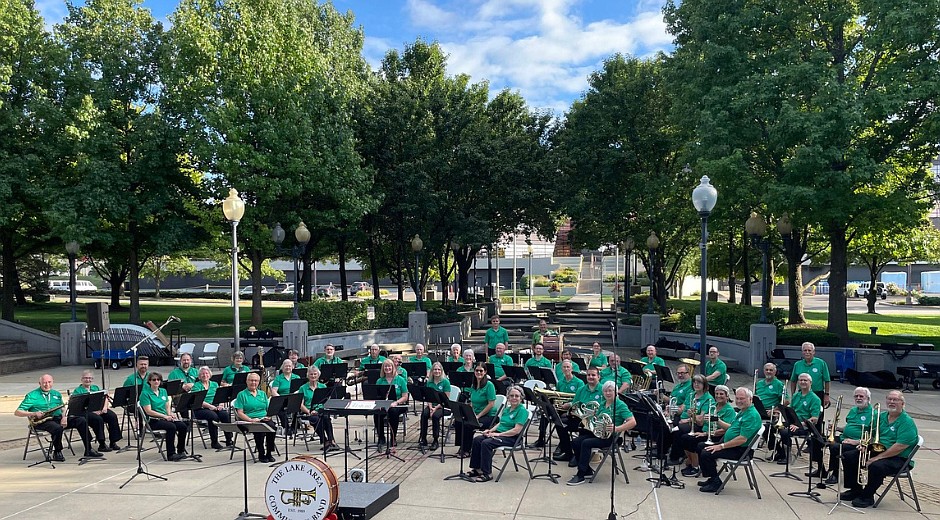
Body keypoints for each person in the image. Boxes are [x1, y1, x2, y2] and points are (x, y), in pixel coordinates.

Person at [840, 390, 919, 508]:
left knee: (876, 466)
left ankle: (867, 496)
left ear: (902, 403)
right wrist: (864, 444)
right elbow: (870, 435)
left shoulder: (906, 422)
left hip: (899, 457)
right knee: (849, 456)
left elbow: (900, 447)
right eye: (889, 399)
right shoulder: (881, 417)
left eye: (895, 400)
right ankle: (855, 489)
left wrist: (876, 458)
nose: (891, 402)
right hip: (879, 450)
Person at [16, 374, 100, 461]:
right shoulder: (32, 395)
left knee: (81, 420)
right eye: (44, 383)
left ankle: (88, 449)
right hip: (42, 421)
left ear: (53, 382)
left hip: (57, 418)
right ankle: (57, 451)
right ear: (39, 383)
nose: (47, 385)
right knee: (57, 428)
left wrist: (65, 417)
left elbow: (63, 408)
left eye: (49, 382)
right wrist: (33, 413)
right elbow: (18, 412)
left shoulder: (56, 394)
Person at [567, 381, 636, 485]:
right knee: (576, 442)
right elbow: (597, 420)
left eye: (610, 391)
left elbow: (633, 422)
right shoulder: (603, 403)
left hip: (611, 437)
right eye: (605, 391)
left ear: (616, 392)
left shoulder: (620, 405)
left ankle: (580, 475)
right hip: (599, 434)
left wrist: (617, 428)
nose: (607, 393)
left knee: (586, 443)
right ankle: (587, 470)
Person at [696, 387, 763, 492]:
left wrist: (721, 446)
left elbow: (742, 439)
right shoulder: (743, 411)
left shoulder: (752, 415)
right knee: (701, 446)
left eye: (742, 399)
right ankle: (712, 477)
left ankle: (716, 482)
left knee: (706, 453)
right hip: (731, 445)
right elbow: (731, 428)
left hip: (741, 451)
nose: (739, 401)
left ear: (750, 399)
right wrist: (717, 421)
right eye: (737, 398)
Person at [466, 385, 529, 482]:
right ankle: (477, 469)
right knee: (477, 439)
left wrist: (497, 434)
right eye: (511, 396)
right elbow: (501, 423)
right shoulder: (507, 409)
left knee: (486, 443)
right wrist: (490, 430)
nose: (514, 398)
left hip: (512, 438)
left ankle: (487, 473)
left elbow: (516, 430)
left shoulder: (522, 411)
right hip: (501, 433)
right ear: (508, 397)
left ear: (521, 398)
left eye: (517, 396)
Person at [678, 385, 736, 477]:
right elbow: (701, 423)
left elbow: (727, 429)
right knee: (685, 437)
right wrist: (693, 415)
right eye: (717, 394)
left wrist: (705, 433)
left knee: (691, 440)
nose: (718, 396)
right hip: (706, 431)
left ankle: (695, 467)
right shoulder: (713, 406)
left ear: (727, 396)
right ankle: (691, 462)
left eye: (721, 394)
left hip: (716, 435)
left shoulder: (729, 410)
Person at [824, 387, 874, 485]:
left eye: (861, 396)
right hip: (845, 438)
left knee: (835, 447)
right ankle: (822, 470)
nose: (858, 398)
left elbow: (872, 436)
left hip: (858, 443)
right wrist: (836, 428)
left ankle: (835, 473)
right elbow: (849, 427)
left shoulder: (873, 414)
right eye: (856, 396)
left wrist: (857, 441)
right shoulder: (853, 410)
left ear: (868, 398)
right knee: (822, 441)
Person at [775, 373, 823, 473]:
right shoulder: (796, 395)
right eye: (801, 380)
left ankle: (787, 456)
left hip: (805, 426)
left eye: (805, 380)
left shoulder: (815, 399)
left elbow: (814, 419)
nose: (803, 382)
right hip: (793, 422)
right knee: (772, 427)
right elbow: (790, 410)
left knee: (784, 432)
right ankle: (780, 452)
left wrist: (800, 424)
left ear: (810, 383)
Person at [530, 360, 584, 449]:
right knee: (545, 414)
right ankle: (541, 439)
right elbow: (557, 396)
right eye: (564, 367)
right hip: (561, 406)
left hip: (572, 409)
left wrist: (569, 404)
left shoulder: (579, 382)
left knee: (559, 419)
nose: (566, 369)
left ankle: (563, 443)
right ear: (562, 369)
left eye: (568, 367)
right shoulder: (560, 382)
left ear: (572, 369)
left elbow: (580, 398)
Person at [553, 366, 603, 462]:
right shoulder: (581, 389)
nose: (591, 377)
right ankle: (568, 453)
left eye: (593, 375)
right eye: (589, 375)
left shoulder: (603, 390)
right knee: (559, 423)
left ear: (598, 377)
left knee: (582, 429)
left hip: (595, 422)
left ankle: (579, 455)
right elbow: (575, 405)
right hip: (580, 419)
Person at [140, 371, 188, 461]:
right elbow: (149, 411)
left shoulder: (163, 391)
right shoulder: (145, 394)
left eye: (158, 380)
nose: (156, 381)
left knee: (182, 426)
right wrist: (164, 416)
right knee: (171, 427)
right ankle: (171, 454)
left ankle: (181, 450)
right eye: (154, 380)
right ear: (149, 381)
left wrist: (170, 414)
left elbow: (167, 406)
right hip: (153, 420)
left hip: (165, 418)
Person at [668, 374, 714, 467]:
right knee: (667, 423)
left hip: (696, 424)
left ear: (704, 385)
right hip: (684, 419)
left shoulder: (708, 399)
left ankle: (676, 457)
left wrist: (689, 418)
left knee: (679, 430)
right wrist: (672, 409)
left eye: (699, 383)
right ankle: (664, 450)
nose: (696, 384)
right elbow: (682, 409)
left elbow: (701, 420)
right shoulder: (691, 395)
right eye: (694, 382)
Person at [73, 370, 121, 452]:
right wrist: (94, 412)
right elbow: (78, 406)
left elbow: (105, 397)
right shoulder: (78, 391)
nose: (88, 380)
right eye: (86, 378)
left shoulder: (95, 388)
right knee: (98, 419)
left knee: (112, 416)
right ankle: (102, 443)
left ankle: (113, 441)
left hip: (99, 410)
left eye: (90, 378)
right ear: (81, 379)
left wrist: (105, 407)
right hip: (86, 412)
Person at [234, 373, 277, 463]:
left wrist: (268, 417)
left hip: (263, 418)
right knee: (259, 431)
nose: (253, 382)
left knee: (272, 427)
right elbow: (240, 413)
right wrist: (251, 420)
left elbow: (269, 409)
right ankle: (261, 453)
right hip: (250, 420)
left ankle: (269, 453)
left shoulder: (262, 394)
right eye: (251, 380)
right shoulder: (241, 395)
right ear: (247, 381)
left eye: (256, 381)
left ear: (259, 382)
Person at [457, 363, 497, 458]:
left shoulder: (489, 385)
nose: (479, 372)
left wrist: (478, 416)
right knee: (459, 420)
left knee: (469, 424)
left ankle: (467, 450)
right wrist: (470, 412)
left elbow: (491, 404)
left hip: (488, 416)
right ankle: (462, 445)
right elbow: (472, 402)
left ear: (485, 372)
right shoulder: (473, 385)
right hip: (476, 413)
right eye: (477, 370)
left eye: (481, 371)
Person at [191, 366, 232, 450]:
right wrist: (210, 406)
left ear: (210, 374)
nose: (204, 375)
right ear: (199, 376)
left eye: (206, 373)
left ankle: (229, 439)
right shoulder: (196, 386)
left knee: (225, 415)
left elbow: (221, 396)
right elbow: (198, 401)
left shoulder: (214, 384)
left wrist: (221, 405)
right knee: (213, 417)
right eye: (202, 374)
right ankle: (214, 442)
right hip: (201, 408)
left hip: (215, 405)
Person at [298, 366, 337, 451]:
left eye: (315, 374)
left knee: (326, 418)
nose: (313, 376)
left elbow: (326, 401)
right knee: (316, 419)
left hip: (321, 410)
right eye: (311, 374)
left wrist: (322, 409)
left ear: (318, 375)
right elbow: (300, 404)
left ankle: (331, 440)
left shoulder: (322, 386)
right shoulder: (303, 388)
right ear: (308, 375)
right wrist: (309, 412)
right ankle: (325, 441)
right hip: (308, 412)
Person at [374, 359, 409, 451]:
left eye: (389, 366)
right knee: (377, 413)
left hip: (398, 405)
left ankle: (393, 438)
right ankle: (381, 437)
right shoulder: (379, 381)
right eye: (385, 366)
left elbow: (405, 396)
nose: (387, 368)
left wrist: (396, 402)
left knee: (393, 412)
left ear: (393, 367)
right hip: (384, 404)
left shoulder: (400, 380)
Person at [789, 342, 831, 409]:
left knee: (818, 414)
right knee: (801, 413)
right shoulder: (797, 364)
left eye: (809, 350)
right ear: (802, 352)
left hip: (817, 393)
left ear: (813, 352)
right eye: (805, 350)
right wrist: (793, 395)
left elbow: (827, 380)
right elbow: (793, 380)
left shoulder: (821, 363)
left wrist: (827, 395)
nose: (807, 352)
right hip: (802, 393)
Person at [420, 362, 451, 449]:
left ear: (441, 371)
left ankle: (435, 439)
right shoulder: (429, 382)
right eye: (435, 369)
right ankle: (423, 438)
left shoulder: (445, 382)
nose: (437, 371)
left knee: (435, 416)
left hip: (443, 406)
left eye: (438, 369)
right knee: (424, 414)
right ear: (432, 371)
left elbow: (446, 398)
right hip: (432, 405)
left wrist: (435, 408)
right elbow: (428, 397)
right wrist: (430, 407)